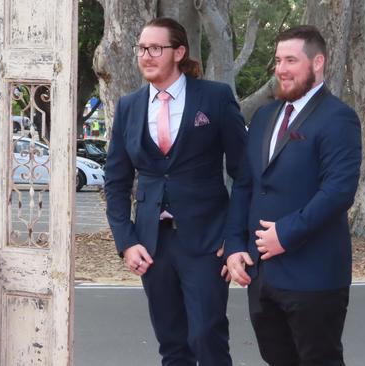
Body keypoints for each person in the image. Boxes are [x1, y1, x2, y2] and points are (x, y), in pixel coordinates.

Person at [104, 17, 247, 366]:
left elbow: (243, 173)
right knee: (172, 344)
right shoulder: (129, 107)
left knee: (206, 337)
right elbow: (116, 181)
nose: (146, 56)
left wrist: (235, 237)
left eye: (155, 48)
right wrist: (126, 241)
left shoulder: (214, 97)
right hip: (153, 243)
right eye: (141, 48)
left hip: (207, 241)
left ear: (178, 52)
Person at [224, 25, 362, 366]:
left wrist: (285, 234)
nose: (281, 69)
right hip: (262, 276)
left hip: (314, 274)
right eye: (278, 60)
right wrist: (234, 244)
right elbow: (245, 184)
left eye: (290, 60)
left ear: (317, 63)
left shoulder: (339, 118)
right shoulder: (264, 116)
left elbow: (338, 191)